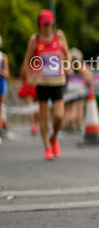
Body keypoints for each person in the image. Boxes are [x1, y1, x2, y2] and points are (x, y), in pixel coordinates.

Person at [21, 9, 71, 160]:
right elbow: (27, 60)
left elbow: (67, 53)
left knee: (59, 115)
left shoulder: (59, 36)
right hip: (42, 82)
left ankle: (54, 137)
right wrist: (29, 76)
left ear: (53, 24)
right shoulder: (35, 39)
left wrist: (68, 65)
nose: (47, 27)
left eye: (49, 24)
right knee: (44, 116)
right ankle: (47, 147)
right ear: (39, 25)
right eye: (44, 25)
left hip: (58, 81)